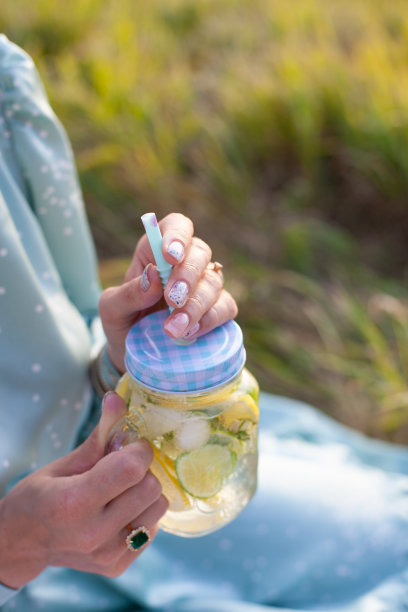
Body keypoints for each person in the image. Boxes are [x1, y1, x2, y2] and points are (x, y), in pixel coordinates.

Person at [1, 34, 408, 612]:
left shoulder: (4, 75)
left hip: (123, 444)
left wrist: (119, 357)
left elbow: (39, 337)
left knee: (391, 545)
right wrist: (14, 547)